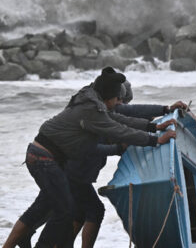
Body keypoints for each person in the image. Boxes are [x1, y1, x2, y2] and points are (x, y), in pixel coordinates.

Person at [2, 67, 176, 248]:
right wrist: (154, 140)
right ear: (109, 97)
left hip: (49, 159)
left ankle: (31, 240)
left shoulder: (94, 103)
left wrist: (154, 126)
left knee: (57, 210)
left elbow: (122, 120)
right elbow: (117, 130)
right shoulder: (91, 110)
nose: (119, 104)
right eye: (117, 100)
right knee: (65, 211)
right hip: (46, 159)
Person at [63, 82, 187, 248]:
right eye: (120, 101)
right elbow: (128, 118)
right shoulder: (103, 113)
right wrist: (121, 147)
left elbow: (132, 115)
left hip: (72, 171)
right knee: (93, 211)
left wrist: (164, 110)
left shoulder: (99, 108)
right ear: (114, 99)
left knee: (76, 213)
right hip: (73, 172)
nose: (121, 105)